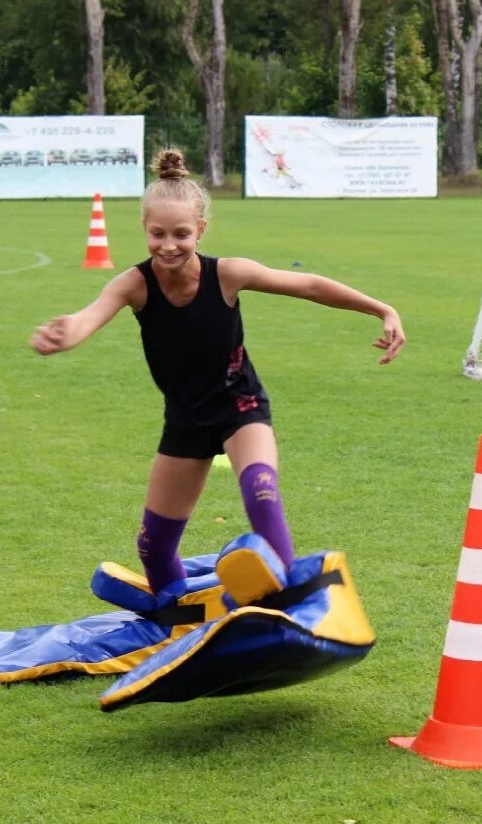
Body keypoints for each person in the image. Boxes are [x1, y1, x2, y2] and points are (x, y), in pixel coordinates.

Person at [30, 150, 405, 595]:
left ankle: (289, 603)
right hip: (186, 420)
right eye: (157, 234)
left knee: (261, 491)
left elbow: (308, 285)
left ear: (200, 231)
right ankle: (175, 618)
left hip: (240, 407)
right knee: (153, 547)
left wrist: (381, 308)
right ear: (145, 230)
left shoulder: (226, 274)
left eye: (181, 234)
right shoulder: (134, 284)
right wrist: (64, 335)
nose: (168, 245)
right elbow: (87, 317)